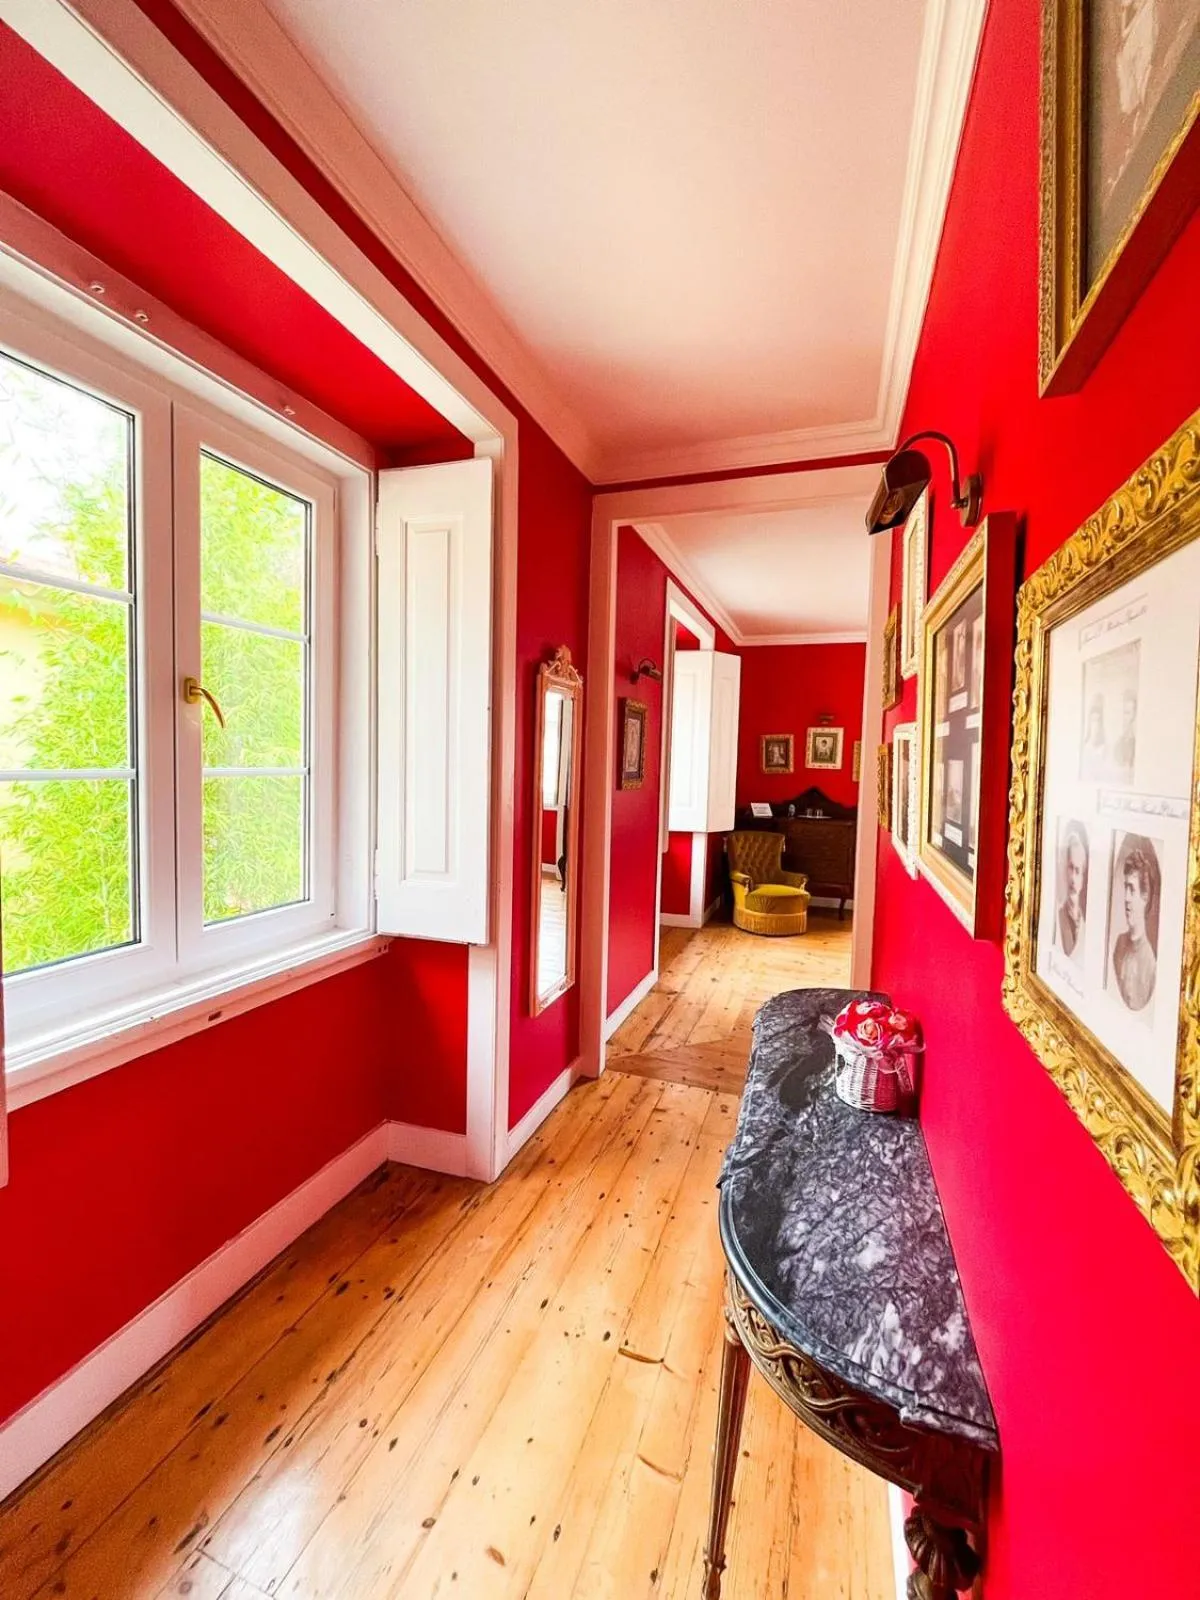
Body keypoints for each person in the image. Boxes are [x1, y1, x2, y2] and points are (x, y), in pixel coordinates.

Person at [1111, 843, 1158, 1011]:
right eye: (1125, 888)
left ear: (1145, 897)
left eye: (1132, 889)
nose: (1126, 898)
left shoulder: (1151, 964)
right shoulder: (1119, 944)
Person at [1056, 826, 1087, 960]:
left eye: (1078, 870)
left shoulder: (1085, 926)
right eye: (1070, 868)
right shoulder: (1059, 916)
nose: (1073, 878)